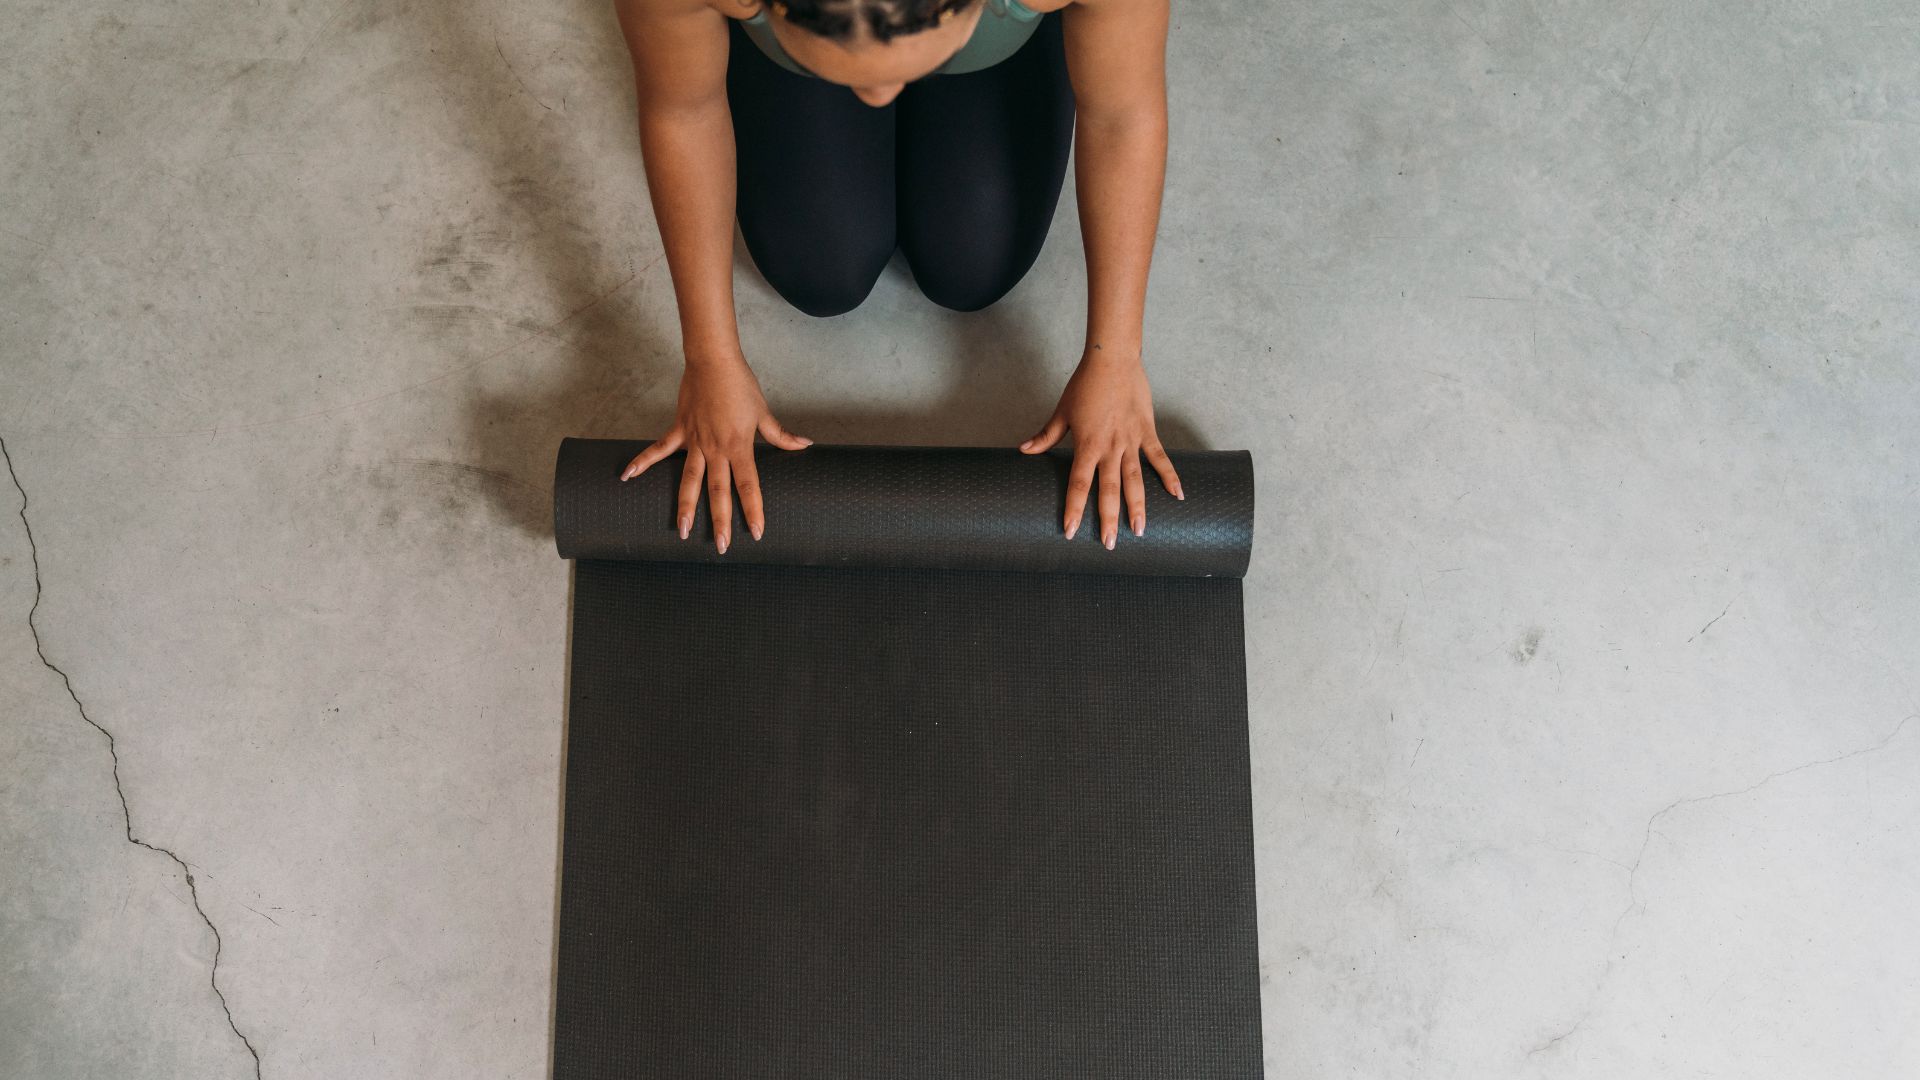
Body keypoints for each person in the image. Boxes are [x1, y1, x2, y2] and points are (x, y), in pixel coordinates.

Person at [612, 0, 1184, 553]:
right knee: (820, 273)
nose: (879, 97)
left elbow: (1121, 115)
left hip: (985, 39)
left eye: (896, 75)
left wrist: (1116, 357)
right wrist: (709, 359)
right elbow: (682, 111)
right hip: (816, 43)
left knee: (974, 269)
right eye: (861, 78)